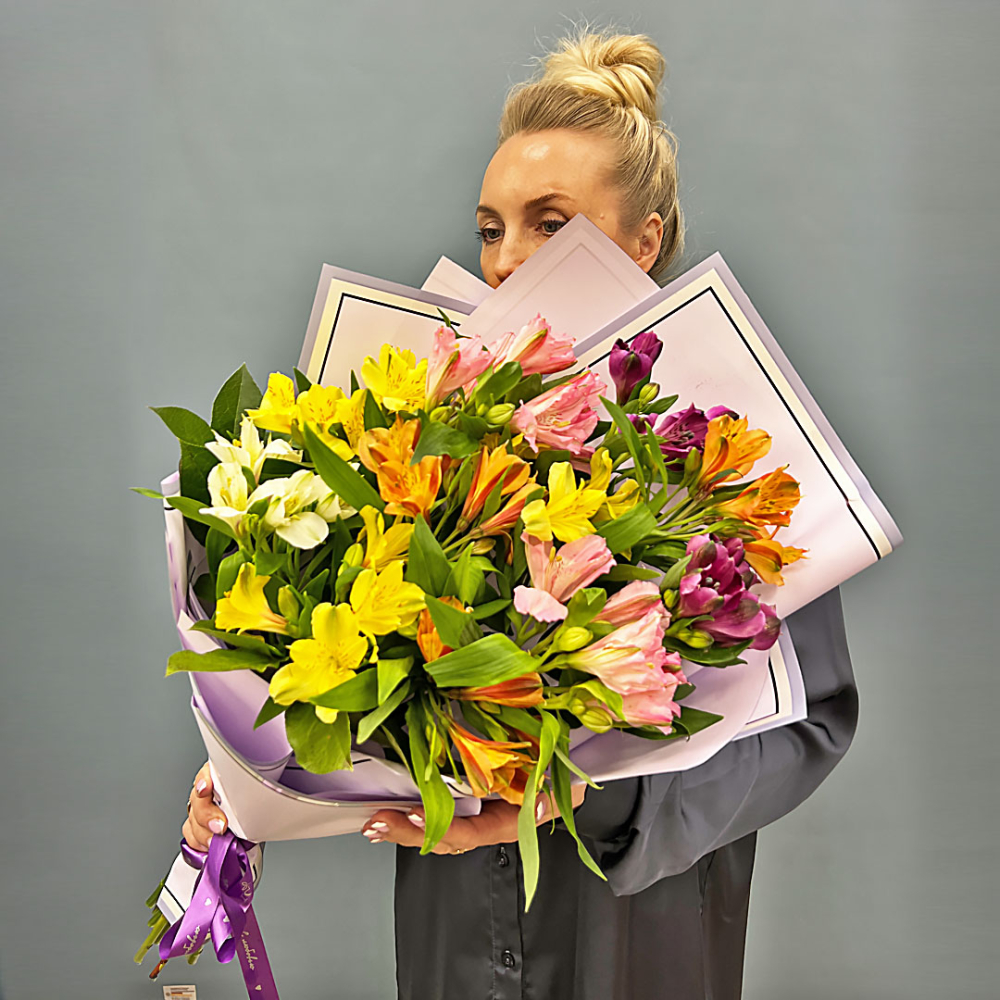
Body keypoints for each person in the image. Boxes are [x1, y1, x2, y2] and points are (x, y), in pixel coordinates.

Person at [184, 29, 859, 1000]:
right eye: (491, 228)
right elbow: (363, 679)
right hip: (455, 915)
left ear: (644, 241)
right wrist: (258, 774)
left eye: (549, 224)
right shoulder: (421, 441)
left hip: (639, 916)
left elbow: (808, 726)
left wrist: (589, 801)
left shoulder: (728, 459)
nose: (505, 261)